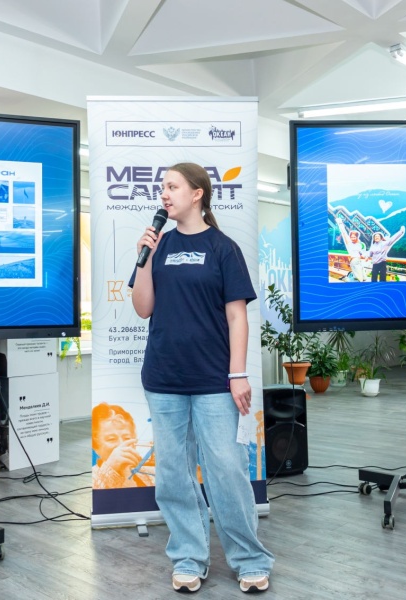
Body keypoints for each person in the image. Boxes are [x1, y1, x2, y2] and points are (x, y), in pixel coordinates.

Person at [129, 162, 274, 594]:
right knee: (173, 475)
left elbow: (237, 316)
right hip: (164, 376)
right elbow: (142, 308)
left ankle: (249, 559)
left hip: (214, 379)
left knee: (226, 470)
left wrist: (238, 374)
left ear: (197, 194)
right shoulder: (160, 244)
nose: (164, 194)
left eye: (172, 186)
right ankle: (189, 558)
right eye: (162, 187)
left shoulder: (222, 248)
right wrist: (145, 258)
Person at [91, 403, 154, 489]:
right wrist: (110, 468)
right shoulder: (92, 478)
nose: (122, 445)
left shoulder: (147, 473)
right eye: (111, 439)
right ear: (96, 445)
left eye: (127, 438)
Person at [335, 216, 369, 282]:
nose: (352, 238)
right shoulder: (349, 243)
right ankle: (356, 279)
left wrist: (364, 256)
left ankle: (353, 280)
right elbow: (344, 232)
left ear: (357, 237)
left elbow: (362, 253)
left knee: (360, 276)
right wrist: (340, 223)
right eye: (351, 237)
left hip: (357, 261)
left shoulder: (360, 244)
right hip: (354, 260)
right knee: (359, 275)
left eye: (354, 237)